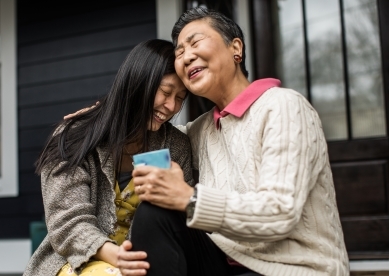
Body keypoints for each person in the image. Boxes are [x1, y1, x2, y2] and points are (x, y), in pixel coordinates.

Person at [130, 7, 350, 276]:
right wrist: (98, 116)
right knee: (155, 214)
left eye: (195, 42)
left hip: (294, 269)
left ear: (236, 48)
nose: (186, 56)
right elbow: (152, 129)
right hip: (225, 264)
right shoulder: (202, 129)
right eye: (179, 52)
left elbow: (279, 213)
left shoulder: (283, 106)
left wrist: (189, 198)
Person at [23, 39, 194, 276]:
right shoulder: (75, 137)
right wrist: (118, 257)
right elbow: (68, 223)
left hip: (148, 262)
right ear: (137, 82)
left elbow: (178, 221)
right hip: (74, 262)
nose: (171, 106)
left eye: (180, 98)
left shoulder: (175, 146)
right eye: (165, 92)